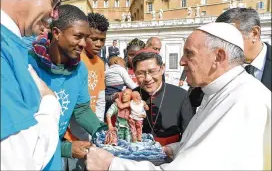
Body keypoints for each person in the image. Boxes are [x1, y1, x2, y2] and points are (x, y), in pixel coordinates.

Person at [86, 22, 271, 170]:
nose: (182, 61)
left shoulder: (244, 101)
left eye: (189, 54)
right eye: (141, 73)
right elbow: (198, 146)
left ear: (219, 57)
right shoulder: (217, 92)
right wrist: (175, 149)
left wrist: (112, 165)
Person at [28, 5, 107, 170]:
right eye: (78, 37)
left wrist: (102, 131)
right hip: (28, 158)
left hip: (53, 160)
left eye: (86, 38)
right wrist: (66, 148)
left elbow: (81, 109)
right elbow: (23, 131)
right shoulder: (28, 65)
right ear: (56, 33)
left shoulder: (80, 70)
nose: (83, 44)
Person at [1, 0, 61, 170]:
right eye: (53, 1)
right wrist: (50, 102)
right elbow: (19, 161)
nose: (54, 13)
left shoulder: (11, 44)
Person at [189, 7, 272, 109]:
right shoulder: (221, 63)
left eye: (230, 38)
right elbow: (194, 101)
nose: (222, 46)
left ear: (254, 33)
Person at [67, 12, 109, 170]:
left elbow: (100, 99)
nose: (99, 44)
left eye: (102, 39)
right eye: (94, 39)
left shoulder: (100, 63)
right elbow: (73, 107)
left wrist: (97, 129)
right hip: (73, 135)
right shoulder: (75, 60)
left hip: (92, 129)